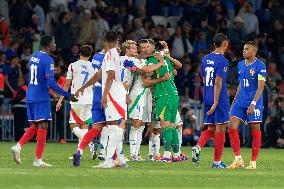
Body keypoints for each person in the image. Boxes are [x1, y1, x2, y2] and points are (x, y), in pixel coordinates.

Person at [10, 36, 77, 167]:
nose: (55, 45)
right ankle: (38, 159)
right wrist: (67, 94)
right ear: (48, 45)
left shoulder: (34, 56)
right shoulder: (48, 59)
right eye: (54, 43)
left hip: (30, 94)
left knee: (35, 125)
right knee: (43, 125)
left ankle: (18, 147)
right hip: (41, 96)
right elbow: (51, 81)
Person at [72, 31, 127, 168]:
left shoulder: (103, 55)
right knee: (113, 127)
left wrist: (84, 88)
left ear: (105, 40)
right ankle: (114, 159)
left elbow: (101, 76)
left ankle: (112, 159)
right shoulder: (113, 55)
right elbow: (105, 75)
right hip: (112, 95)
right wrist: (86, 88)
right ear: (117, 40)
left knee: (105, 127)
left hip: (106, 95)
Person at [191, 33, 230, 168]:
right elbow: (218, 82)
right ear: (225, 44)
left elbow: (203, 79)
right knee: (220, 129)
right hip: (218, 98)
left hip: (207, 95)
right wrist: (216, 101)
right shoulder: (223, 61)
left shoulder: (205, 59)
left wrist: (208, 98)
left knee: (211, 128)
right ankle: (217, 162)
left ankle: (198, 146)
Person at [228, 41, 266, 170]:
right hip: (240, 101)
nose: (244, 51)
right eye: (244, 48)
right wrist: (233, 102)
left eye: (247, 49)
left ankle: (253, 162)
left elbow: (261, 87)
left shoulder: (260, 66)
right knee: (231, 127)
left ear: (254, 51)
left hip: (254, 102)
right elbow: (240, 85)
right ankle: (238, 159)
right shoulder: (240, 65)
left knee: (255, 130)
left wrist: (253, 103)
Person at [56, 45, 95, 156]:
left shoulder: (73, 65)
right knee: (85, 125)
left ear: (79, 53)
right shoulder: (93, 66)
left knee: (73, 125)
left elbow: (67, 84)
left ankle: (90, 143)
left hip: (77, 98)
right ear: (90, 54)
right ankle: (80, 152)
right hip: (89, 98)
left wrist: (60, 100)